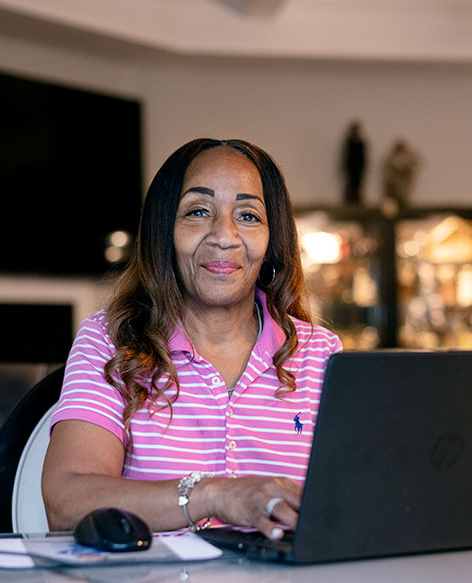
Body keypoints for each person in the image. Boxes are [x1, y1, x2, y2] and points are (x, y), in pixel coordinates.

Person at [41, 138, 343, 541]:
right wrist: (212, 495)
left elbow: (354, 505)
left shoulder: (321, 354)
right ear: (164, 232)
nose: (224, 236)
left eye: (249, 216)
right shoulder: (109, 341)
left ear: (273, 241)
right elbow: (66, 500)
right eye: (198, 212)